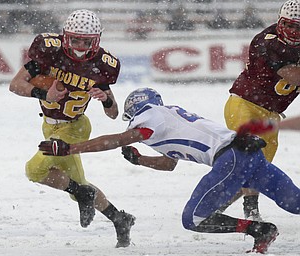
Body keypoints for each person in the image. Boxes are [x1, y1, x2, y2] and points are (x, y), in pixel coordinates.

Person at [39, 87, 300, 254]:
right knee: (295, 202)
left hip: (230, 157)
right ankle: (260, 231)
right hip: (246, 151)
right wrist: (141, 160)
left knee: (194, 219)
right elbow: (169, 163)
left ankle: (259, 230)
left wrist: (70, 148)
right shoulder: (168, 117)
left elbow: (117, 139)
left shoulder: (149, 116)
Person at [9, 9, 135, 248]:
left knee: (35, 170)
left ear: (96, 41)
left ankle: (83, 193)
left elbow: (113, 113)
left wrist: (105, 99)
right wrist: (45, 93)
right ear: (65, 36)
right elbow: (15, 85)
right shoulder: (49, 52)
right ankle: (120, 218)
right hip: (48, 125)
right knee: (77, 182)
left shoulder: (101, 65)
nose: (79, 45)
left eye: (86, 41)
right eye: (75, 39)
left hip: (75, 127)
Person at [222, 0, 300, 221]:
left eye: (299, 27)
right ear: (279, 21)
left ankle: (214, 206)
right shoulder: (267, 42)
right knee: (251, 155)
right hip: (244, 104)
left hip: (272, 114)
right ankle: (251, 210)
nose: (294, 31)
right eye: (290, 25)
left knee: (257, 170)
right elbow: (291, 75)